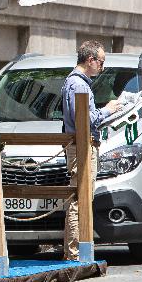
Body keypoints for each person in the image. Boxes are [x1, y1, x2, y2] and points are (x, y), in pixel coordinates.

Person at [60, 40, 122, 260]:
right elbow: (84, 119)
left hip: (81, 146)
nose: (102, 67)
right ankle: (75, 253)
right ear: (90, 60)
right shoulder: (78, 85)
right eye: (101, 62)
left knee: (80, 197)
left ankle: (75, 252)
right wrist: (108, 110)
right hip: (82, 148)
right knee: (80, 199)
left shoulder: (76, 83)